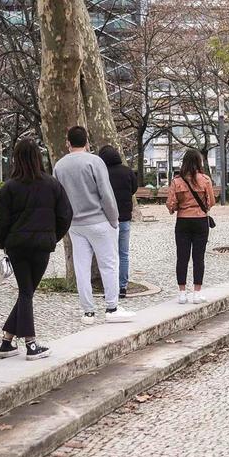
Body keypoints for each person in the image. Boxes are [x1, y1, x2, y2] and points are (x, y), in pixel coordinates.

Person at [0, 138, 73, 361]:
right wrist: (52, 237)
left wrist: (3, 243)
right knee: (27, 292)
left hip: (17, 247)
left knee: (25, 292)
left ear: (16, 159)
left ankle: (7, 341)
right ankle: (31, 343)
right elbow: (65, 215)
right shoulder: (52, 185)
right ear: (39, 157)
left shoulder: (9, 188)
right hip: (41, 247)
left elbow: (0, 223)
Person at [53, 126, 135, 325]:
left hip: (75, 223)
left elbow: (58, 197)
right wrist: (113, 219)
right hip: (99, 220)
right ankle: (112, 307)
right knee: (109, 263)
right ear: (87, 141)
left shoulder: (59, 166)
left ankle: (88, 311)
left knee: (81, 267)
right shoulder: (95, 161)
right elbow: (106, 194)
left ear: (68, 142)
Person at [167, 149, 216, 302]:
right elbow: (211, 202)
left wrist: (178, 207)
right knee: (198, 257)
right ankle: (197, 292)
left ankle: (182, 293)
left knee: (182, 257)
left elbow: (170, 205)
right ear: (199, 162)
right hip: (200, 221)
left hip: (182, 221)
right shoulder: (205, 180)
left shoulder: (177, 181)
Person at [97, 145, 137, 299]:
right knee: (123, 254)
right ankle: (122, 287)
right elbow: (133, 189)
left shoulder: (102, 173)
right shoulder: (127, 172)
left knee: (108, 255)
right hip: (125, 217)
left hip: (106, 219)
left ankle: (110, 288)